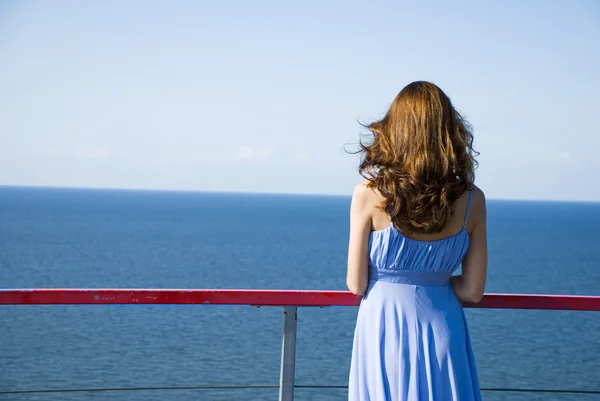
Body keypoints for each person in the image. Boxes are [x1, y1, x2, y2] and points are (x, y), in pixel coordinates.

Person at [347, 81, 487, 401]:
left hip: (383, 330)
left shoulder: (367, 195)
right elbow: (473, 290)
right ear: (450, 133)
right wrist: (431, 282)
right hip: (443, 323)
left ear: (395, 130)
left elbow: (356, 283)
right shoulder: (472, 200)